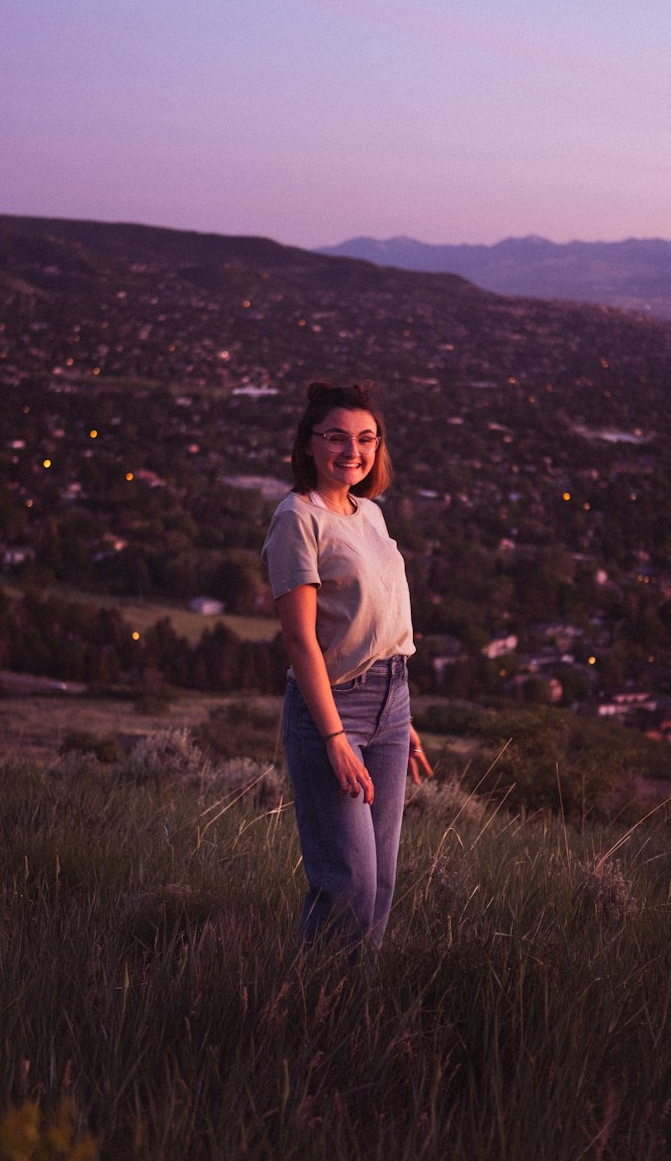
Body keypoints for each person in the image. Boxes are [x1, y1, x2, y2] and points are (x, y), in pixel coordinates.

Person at [262, 380, 432, 951]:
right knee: (348, 882)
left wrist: (399, 717)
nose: (352, 451)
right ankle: (312, 1011)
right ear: (308, 444)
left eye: (366, 438)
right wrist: (334, 734)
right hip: (332, 710)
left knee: (381, 881)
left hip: (390, 703)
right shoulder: (297, 519)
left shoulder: (371, 513)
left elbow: (377, 623)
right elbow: (299, 638)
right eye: (336, 437)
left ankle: (354, 1015)